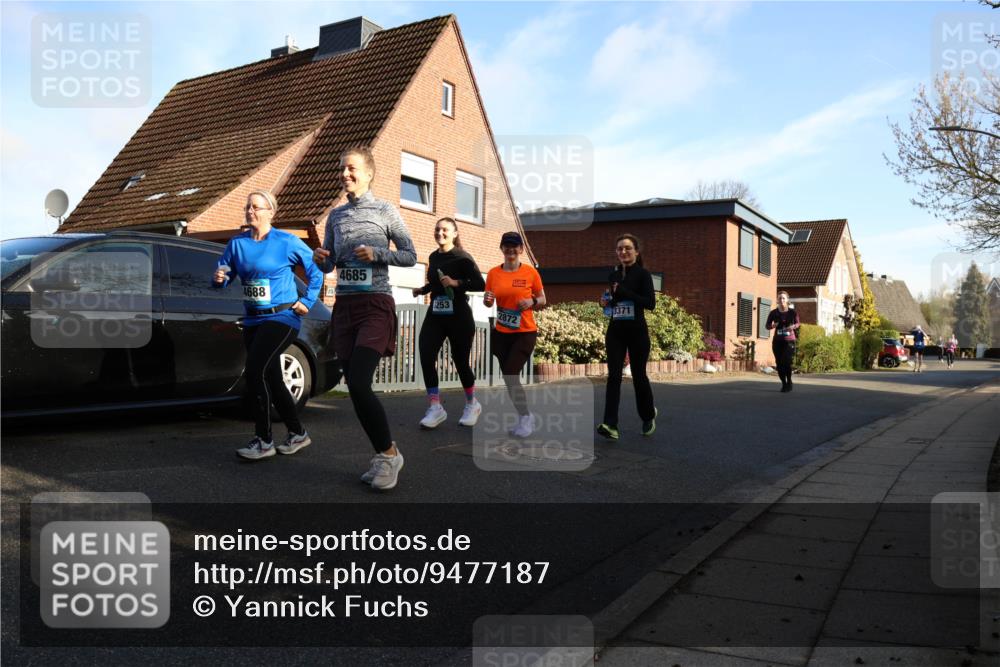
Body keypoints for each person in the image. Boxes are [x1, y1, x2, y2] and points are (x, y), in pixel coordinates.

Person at [313, 146, 416, 491]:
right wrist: (321, 259)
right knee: (355, 387)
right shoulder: (336, 216)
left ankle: (389, 455)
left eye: (351, 168)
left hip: (375, 304)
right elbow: (330, 264)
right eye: (341, 169)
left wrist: (378, 253)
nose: (345, 174)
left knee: (359, 382)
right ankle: (382, 453)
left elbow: (410, 255)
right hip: (345, 306)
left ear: (369, 173)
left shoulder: (385, 210)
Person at [213, 190, 323, 461]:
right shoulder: (237, 244)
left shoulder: (286, 241)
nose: (251, 211)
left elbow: (316, 270)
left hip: (282, 318)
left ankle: (263, 440)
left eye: (257, 207)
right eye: (248, 206)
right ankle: (297, 433)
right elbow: (225, 272)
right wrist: (220, 278)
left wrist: (307, 301)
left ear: (271, 212)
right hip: (253, 318)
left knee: (255, 371)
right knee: (273, 377)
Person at [413, 217, 486, 429]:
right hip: (436, 312)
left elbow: (480, 284)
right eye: (437, 230)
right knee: (426, 354)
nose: (440, 233)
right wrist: (423, 290)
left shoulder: (463, 257)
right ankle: (435, 407)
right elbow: (436, 282)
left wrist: (456, 283)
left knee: (460, 360)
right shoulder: (433, 257)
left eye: (445, 230)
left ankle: (472, 404)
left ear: (454, 233)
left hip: (459, 316)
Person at [483, 231, 546, 438]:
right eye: (506, 246)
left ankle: (526, 418)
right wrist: (488, 299)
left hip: (525, 332)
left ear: (521, 249)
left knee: (511, 373)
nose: (510, 249)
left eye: (514, 246)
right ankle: (523, 417)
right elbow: (489, 301)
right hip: (502, 332)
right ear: (501, 249)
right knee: (509, 378)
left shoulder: (530, 273)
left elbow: (543, 299)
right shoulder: (493, 273)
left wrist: (531, 302)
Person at [596, 234, 657, 441]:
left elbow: (650, 303)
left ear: (636, 252)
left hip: (637, 332)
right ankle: (610, 424)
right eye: (620, 248)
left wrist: (623, 291)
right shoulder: (613, 275)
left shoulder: (643, 275)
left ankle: (648, 415)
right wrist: (605, 303)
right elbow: (614, 300)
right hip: (616, 331)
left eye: (628, 248)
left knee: (639, 376)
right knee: (613, 376)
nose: (623, 252)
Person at [765, 291, 800, 392]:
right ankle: (784, 384)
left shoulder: (793, 312)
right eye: (780, 298)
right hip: (778, 341)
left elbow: (798, 323)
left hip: (789, 341)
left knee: (786, 362)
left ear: (787, 300)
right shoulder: (773, 313)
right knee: (779, 364)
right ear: (777, 300)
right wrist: (773, 326)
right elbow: (767, 326)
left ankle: (789, 381)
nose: (781, 300)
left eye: (783, 298)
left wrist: (793, 326)